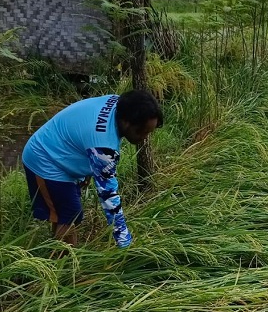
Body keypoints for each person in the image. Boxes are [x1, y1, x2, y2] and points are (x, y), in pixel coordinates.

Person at [21, 90, 163, 248]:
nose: (145, 137)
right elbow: (109, 199)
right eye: (143, 132)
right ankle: (66, 265)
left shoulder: (119, 103)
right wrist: (125, 244)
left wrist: (89, 171)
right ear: (127, 122)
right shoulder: (103, 145)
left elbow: (86, 133)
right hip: (44, 158)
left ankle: (59, 255)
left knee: (66, 212)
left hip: (60, 148)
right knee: (70, 214)